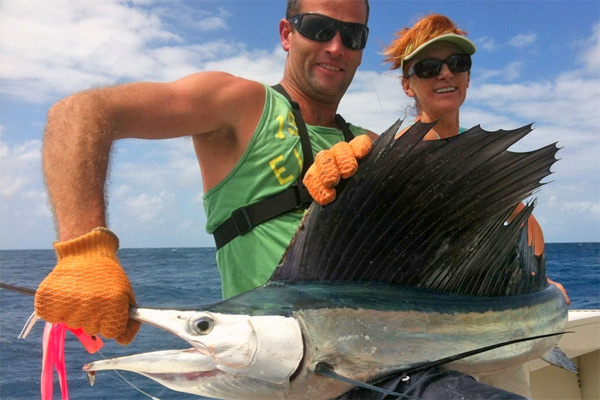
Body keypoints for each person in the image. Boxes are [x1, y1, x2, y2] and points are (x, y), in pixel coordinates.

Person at [34, 0, 376, 346]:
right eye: (319, 29)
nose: (336, 47)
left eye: (352, 35)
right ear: (287, 34)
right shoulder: (242, 104)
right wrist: (84, 251)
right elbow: (80, 112)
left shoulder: (371, 146)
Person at [331, 13, 567, 399]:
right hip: (421, 355)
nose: (445, 74)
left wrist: (538, 280)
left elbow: (528, 226)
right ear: (408, 85)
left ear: (468, 77)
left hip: (498, 344)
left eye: (457, 64)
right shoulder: (389, 159)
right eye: (428, 67)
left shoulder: (481, 163)